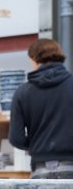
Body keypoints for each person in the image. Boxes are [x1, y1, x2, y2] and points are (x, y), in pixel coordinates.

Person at [9, 38, 73, 178]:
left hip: (40, 170)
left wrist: (39, 144)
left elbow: (16, 138)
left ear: (34, 59)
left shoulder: (22, 93)